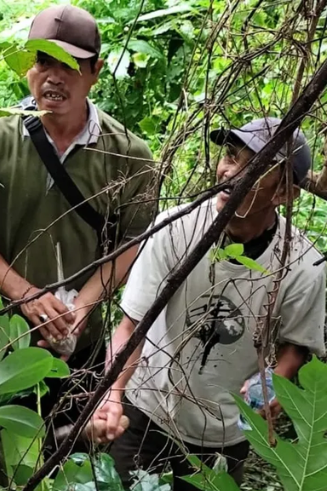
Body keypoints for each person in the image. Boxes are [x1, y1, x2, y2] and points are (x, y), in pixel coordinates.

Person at [94, 117, 326, 489]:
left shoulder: (302, 264)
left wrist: (273, 384)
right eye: (231, 156)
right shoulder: (176, 228)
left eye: (254, 167)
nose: (231, 172)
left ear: (283, 193)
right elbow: (130, 326)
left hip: (223, 435)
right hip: (145, 413)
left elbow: (296, 346)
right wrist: (112, 394)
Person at [0, 5, 157, 435]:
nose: (54, 76)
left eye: (70, 64)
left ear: (95, 72)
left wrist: (82, 307)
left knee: (66, 454)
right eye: (43, 61)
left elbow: (132, 240)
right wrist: (25, 295)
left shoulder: (129, 155)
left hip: (79, 343)